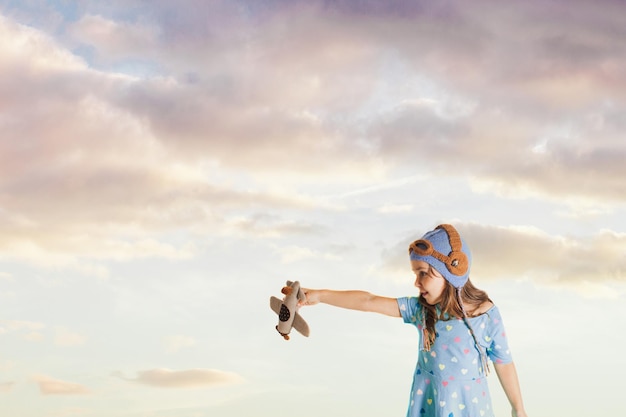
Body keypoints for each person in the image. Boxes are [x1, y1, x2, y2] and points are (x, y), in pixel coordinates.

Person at [299, 224, 528, 417]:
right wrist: (320, 295)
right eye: (415, 274)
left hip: (471, 409)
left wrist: (518, 408)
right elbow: (368, 301)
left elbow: (504, 362)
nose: (416, 283)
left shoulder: (486, 316)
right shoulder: (421, 310)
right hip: (429, 407)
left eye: (423, 273)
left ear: (452, 272)